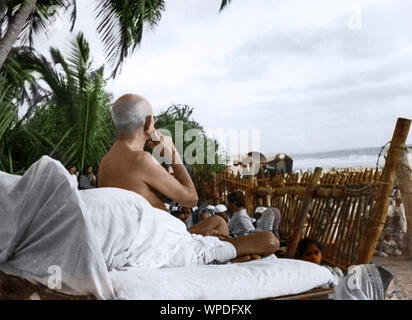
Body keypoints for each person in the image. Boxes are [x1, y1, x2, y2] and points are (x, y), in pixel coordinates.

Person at [98, 93, 279, 263]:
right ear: (147, 122)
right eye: (153, 120)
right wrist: (173, 154)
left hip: (145, 237)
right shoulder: (141, 159)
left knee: (219, 222)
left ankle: (229, 255)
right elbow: (191, 199)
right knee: (270, 240)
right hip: (163, 243)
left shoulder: (105, 163)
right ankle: (225, 256)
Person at [295, 237, 396, 300]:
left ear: (321, 254)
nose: (313, 256)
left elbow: (341, 283)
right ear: (301, 257)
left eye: (316, 253)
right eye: (308, 254)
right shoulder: (301, 274)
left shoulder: (330, 270)